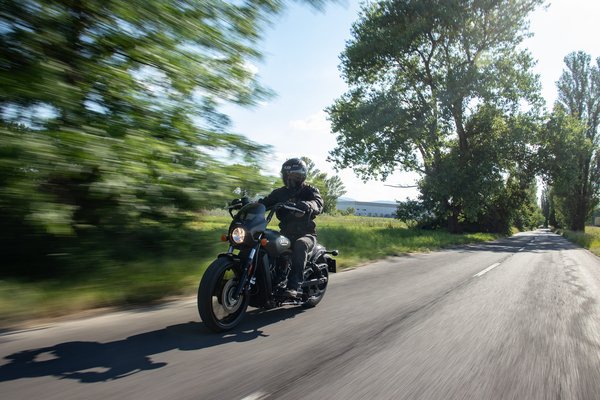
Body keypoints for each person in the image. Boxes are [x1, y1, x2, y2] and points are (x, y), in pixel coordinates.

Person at [259, 158, 323, 298]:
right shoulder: (279, 193)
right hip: (286, 234)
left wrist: (308, 205)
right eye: (287, 175)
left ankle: (294, 286)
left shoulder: (309, 191)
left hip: (306, 235)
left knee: (300, 244)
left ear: (301, 176)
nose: (289, 178)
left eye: (293, 175)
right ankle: (269, 279)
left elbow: (317, 203)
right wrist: (248, 204)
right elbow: (264, 203)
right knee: (266, 241)